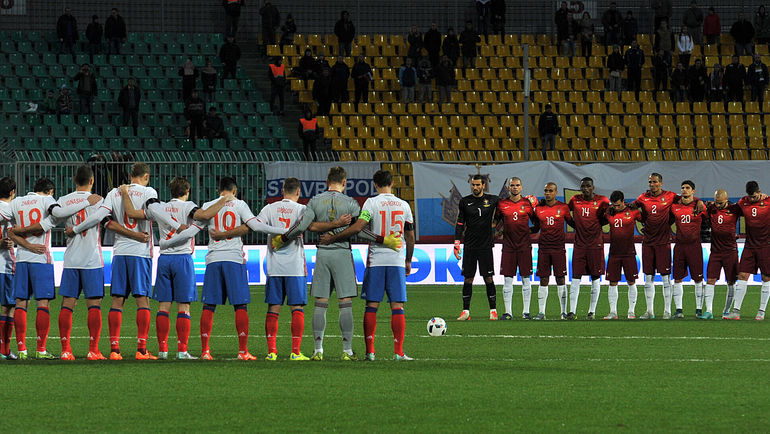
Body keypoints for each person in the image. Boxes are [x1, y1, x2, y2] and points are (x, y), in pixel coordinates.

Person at [68, 162, 182, 360]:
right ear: (146, 176)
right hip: (141, 253)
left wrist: (76, 229)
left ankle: (114, 350)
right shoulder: (149, 192)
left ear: (130, 175)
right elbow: (155, 212)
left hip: (119, 252)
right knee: (142, 300)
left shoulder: (114, 193)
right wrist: (174, 226)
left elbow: (103, 219)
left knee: (117, 300)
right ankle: (141, 350)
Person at [176, 177, 285, 359]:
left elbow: (193, 229)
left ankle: (205, 351)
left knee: (209, 305)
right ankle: (243, 351)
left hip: (213, 260)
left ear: (219, 190)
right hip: (234, 259)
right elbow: (255, 225)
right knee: (240, 305)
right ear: (235, 191)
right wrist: (281, 231)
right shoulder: (240, 205)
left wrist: (170, 240)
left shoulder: (209, 205)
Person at [127, 177, 231, 359]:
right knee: (184, 306)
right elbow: (205, 216)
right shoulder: (189, 206)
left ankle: (162, 350)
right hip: (182, 258)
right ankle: (182, 350)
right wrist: (224, 200)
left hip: (165, 259)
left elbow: (136, 214)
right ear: (187, 191)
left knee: (163, 306)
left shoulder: (161, 208)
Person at [319, 170, 413, 361]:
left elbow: (357, 228)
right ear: (392, 183)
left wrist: (334, 237)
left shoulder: (371, 203)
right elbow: (410, 235)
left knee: (372, 305)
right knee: (397, 306)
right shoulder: (404, 205)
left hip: (376, 260)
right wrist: (408, 259)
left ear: (375, 185)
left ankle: (370, 352)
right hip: (396, 260)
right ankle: (399, 352)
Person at [214, 178, 312, 361]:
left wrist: (224, 234)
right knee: (296, 307)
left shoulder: (269, 208)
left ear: (282, 190)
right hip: (295, 267)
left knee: (273, 308)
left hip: (274, 266)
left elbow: (253, 226)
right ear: (298, 192)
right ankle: (295, 352)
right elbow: (304, 229)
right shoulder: (302, 210)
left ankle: (272, 352)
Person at [271, 166, 363, 361]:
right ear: (344, 183)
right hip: (342, 253)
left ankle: (317, 350)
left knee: (320, 304)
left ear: (326, 182)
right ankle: (347, 351)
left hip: (322, 254)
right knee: (345, 304)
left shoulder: (315, 201)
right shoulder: (351, 203)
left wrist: (283, 237)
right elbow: (359, 229)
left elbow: (305, 226)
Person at [51, 166, 143, 360]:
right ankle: (93, 350)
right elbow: (101, 218)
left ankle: (66, 350)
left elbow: (56, 217)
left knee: (68, 304)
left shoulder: (63, 200)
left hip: (71, 260)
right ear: (92, 181)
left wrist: (73, 228)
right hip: (92, 259)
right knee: (94, 305)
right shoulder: (100, 200)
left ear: (75, 179)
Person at [3, 177, 86, 359]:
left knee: (20, 303)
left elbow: (10, 232)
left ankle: (22, 350)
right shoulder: (47, 200)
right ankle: (41, 350)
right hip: (41, 258)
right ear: (50, 191)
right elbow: (58, 214)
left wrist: (25, 245)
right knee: (43, 303)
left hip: (22, 259)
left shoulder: (17, 202)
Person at [631, 173, 702, 319]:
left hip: (663, 242)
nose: (652, 184)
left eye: (655, 182)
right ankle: (649, 311)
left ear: (661, 183)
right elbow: (631, 207)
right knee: (648, 277)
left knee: (665, 277)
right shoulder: (642, 197)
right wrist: (639, 218)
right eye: (650, 182)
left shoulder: (670, 196)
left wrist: (699, 201)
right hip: (648, 242)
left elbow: (687, 198)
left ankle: (667, 311)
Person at [454, 175, 500, 321]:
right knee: (468, 278)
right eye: (473, 185)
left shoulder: (493, 200)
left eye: (477, 185)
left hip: (485, 246)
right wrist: (456, 242)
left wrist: (495, 223)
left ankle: (493, 310)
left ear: (483, 185)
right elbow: (460, 222)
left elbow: (506, 209)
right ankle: (465, 311)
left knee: (488, 278)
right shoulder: (465, 201)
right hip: (470, 246)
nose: (475, 187)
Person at [725, 181, 770, 320]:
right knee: (742, 276)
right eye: (749, 196)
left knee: (766, 278)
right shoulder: (743, 202)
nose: (751, 199)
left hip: (765, 246)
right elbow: (732, 210)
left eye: (754, 196)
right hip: (749, 246)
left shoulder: (768, 202)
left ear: (759, 191)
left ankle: (761, 311)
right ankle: (736, 311)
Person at [567, 178, 610, 320]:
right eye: (583, 186)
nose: (585, 189)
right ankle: (572, 311)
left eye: (588, 186)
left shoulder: (602, 201)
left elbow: (609, 216)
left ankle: (592, 311)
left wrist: (598, 224)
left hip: (595, 245)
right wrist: (576, 226)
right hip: (580, 244)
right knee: (575, 277)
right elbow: (566, 214)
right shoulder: (574, 200)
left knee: (595, 277)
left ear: (593, 187)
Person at [496, 177, 537, 320]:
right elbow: (495, 222)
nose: (515, 187)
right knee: (508, 279)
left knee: (526, 278)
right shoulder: (502, 204)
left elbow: (537, 224)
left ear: (522, 187)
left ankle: (526, 312)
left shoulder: (528, 204)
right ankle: (508, 312)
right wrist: (498, 232)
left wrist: (527, 232)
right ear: (508, 187)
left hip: (524, 246)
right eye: (512, 185)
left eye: (517, 185)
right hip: (508, 246)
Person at [532, 182, 573, 320]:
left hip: (558, 248)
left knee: (560, 278)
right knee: (543, 279)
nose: (548, 193)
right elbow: (535, 228)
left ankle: (563, 312)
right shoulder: (538, 209)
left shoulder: (563, 207)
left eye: (550, 191)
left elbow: (573, 224)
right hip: (543, 248)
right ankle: (541, 312)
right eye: (546, 191)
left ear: (556, 192)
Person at [668, 180, 706, 319]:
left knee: (698, 279)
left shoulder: (700, 206)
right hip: (679, 247)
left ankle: (699, 309)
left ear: (693, 191)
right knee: (677, 278)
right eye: (682, 187)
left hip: (694, 247)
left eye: (688, 188)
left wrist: (699, 201)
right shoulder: (674, 207)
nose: (684, 190)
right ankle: (679, 310)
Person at [604, 191, 642, 320]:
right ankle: (613, 312)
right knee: (612, 282)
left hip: (629, 252)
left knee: (631, 281)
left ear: (623, 201)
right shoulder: (609, 212)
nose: (616, 208)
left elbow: (647, 220)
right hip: (614, 253)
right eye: (614, 205)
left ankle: (631, 311)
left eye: (618, 205)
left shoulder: (633, 211)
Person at [705, 190, 740, 320]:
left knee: (731, 282)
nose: (717, 205)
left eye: (720, 203)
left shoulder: (735, 209)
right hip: (715, 252)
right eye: (716, 202)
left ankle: (726, 311)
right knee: (710, 280)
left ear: (726, 199)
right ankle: (708, 311)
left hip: (730, 251)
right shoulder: (711, 209)